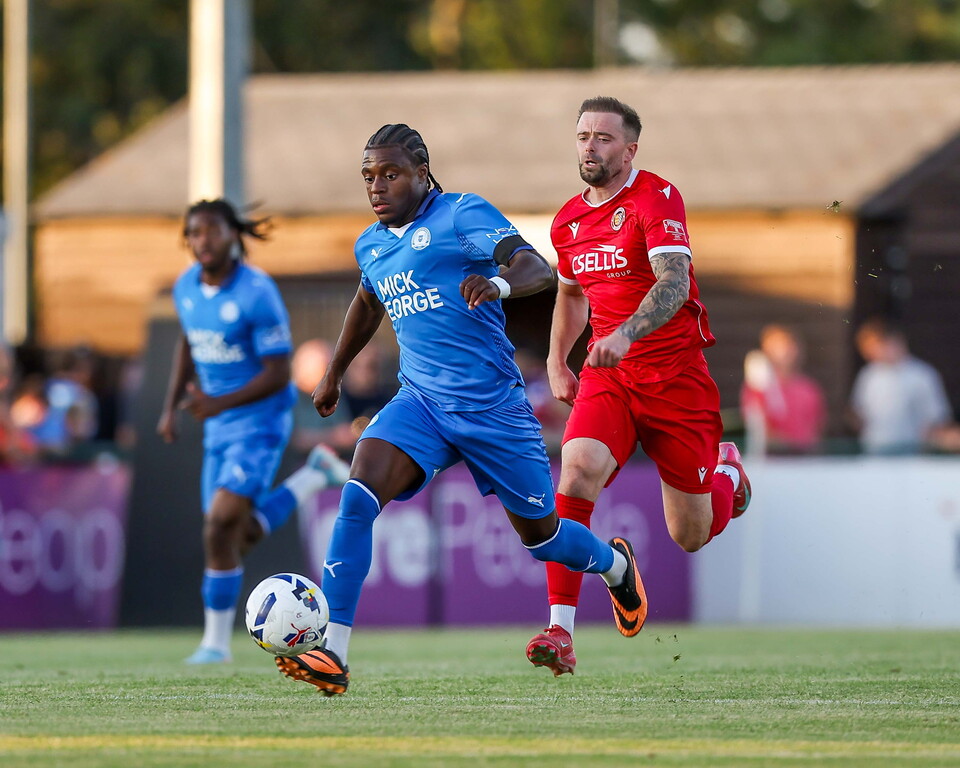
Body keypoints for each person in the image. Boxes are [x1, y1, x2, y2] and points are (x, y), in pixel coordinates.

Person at [274, 123, 644, 696]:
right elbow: (368, 302)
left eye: (391, 174)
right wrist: (333, 373)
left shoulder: (461, 213)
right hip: (420, 402)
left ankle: (615, 566)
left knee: (543, 539)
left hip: (493, 408)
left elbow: (536, 268)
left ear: (422, 173)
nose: (377, 186)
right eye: (369, 176)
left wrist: (497, 285)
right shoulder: (371, 244)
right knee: (357, 495)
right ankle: (333, 653)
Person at [525, 96, 752, 677]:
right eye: (583, 136)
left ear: (629, 150)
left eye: (603, 138)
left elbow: (674, 282)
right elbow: (570, 294)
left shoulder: (657, 197)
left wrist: (626, 333)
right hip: (611, 377)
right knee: (575, 473)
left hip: (675, 377)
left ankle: (727, 475)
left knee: (689, 534)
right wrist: (557, 360)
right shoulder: (567, 222)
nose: (590, 147)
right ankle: (560, 630)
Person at [157, 198, 351, 665]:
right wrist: (169, 408)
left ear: (233, 235)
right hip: (217, 426)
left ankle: (214, 645)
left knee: (219, 524)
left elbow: (278, 373)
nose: (203, 240)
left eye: (212, 230)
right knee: (234, 534)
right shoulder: (185, 287)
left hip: (260, 422)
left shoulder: (256, 292)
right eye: (194, 233)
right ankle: (314, 475)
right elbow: (188, 341)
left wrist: (215, 402)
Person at [850, 317, 959, 454]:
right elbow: (858, 411)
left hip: (911, 455)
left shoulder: (922, 375)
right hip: (873, 452)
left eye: (876, 346)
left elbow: (937, 419)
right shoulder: (868, 375)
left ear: (895, 342)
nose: (871, 354)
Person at [740, 324, 826, 455]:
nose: (784, 351)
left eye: (787, 345)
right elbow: (759, 429)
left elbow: (817, 429)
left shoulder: (809, 389)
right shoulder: (757, 387)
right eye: (777, 346)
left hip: (806, 460)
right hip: (772, 461)